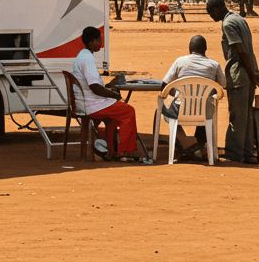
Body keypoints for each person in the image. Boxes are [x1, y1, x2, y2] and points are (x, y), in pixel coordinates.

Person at [70, 26, 149, 163]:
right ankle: (126, 150)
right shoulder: (87, 58)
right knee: (128, 111)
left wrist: (108, 89)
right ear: (91, 42)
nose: (100, 43)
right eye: (98, 40)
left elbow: (94, 85)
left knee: (115, 117)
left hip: (86, 100)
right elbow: (94, 86)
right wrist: (113, 95)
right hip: (91, 103)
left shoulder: (82, 55)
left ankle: (113, 149)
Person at [205, 0, 259, 163]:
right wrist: (254, 73)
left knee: (237, 117)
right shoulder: (238, 18)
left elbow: (240, 50)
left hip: (239, 74)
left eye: (210, 12)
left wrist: (253, 73)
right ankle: (247, 153)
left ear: (217, 9)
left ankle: (234, 154)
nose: (211, 16)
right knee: (246, 115)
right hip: (249, 73)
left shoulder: (228, 24)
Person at [160, 34, 227, 159]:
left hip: (181, 110)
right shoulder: (214, 65)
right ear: (205, 49)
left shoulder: (180, 61)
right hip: (206, 111)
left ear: (190, 48)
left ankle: (187, 145)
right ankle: (197, 146)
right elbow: (223, 85)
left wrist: (174, 93)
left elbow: (164, 84)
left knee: (166, 113)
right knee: (205, 109)